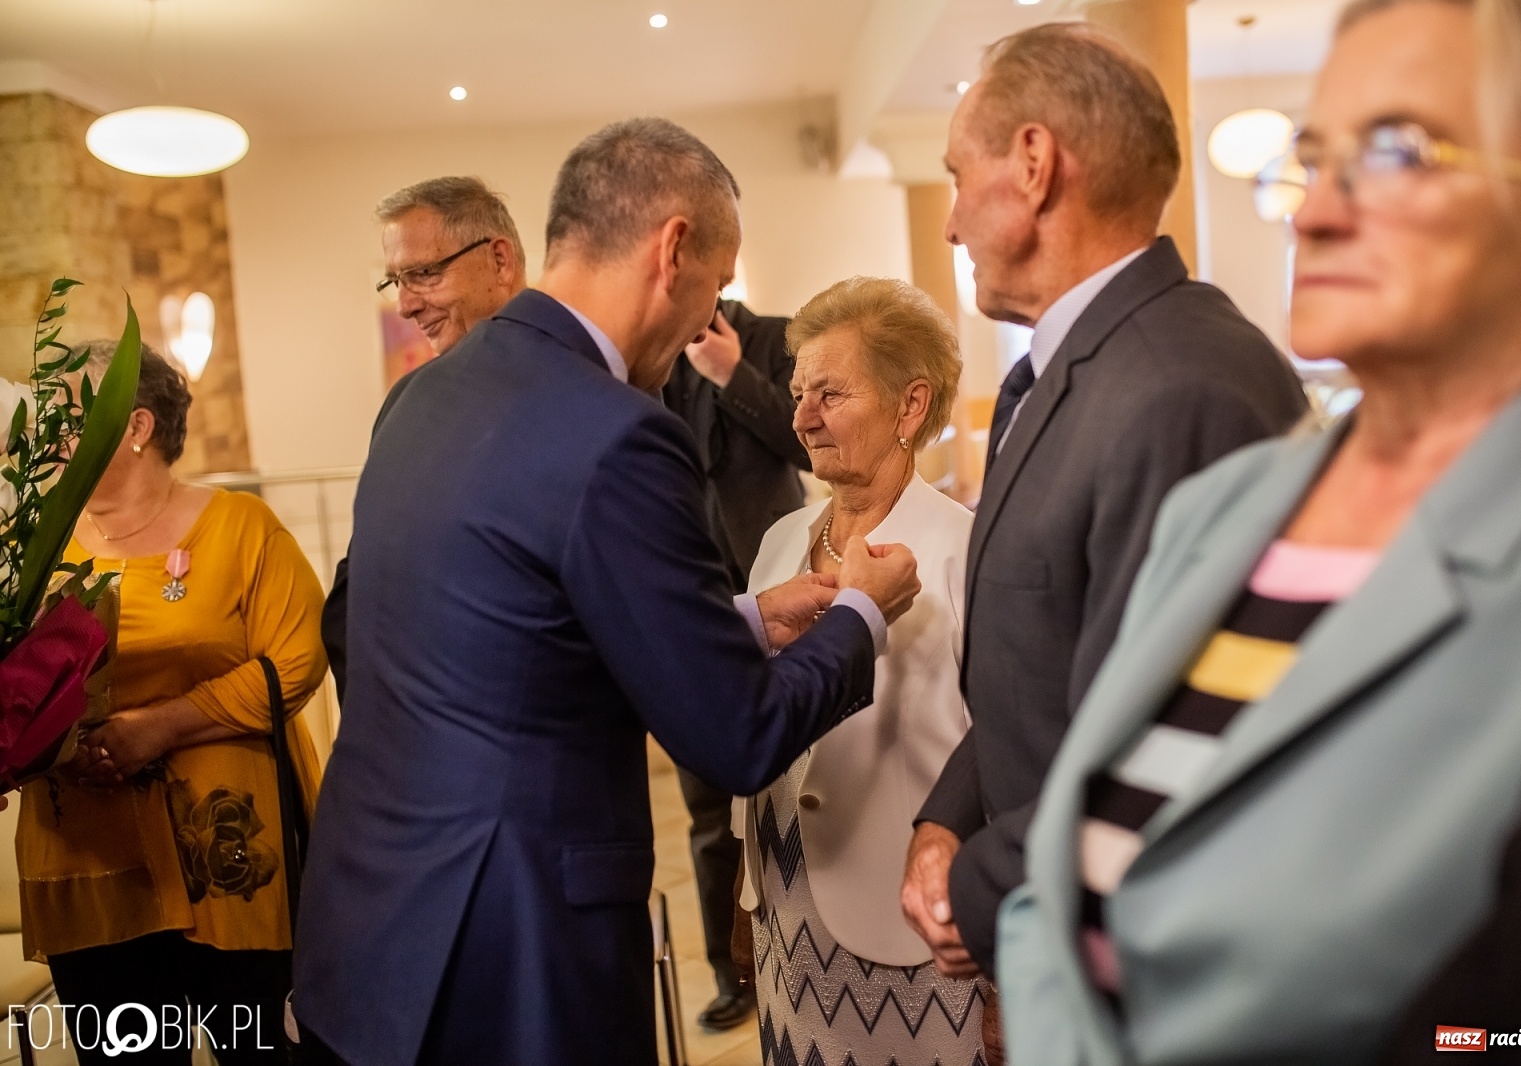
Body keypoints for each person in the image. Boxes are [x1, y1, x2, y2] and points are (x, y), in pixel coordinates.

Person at [997, 0, 1521, 1060]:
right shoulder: (1224, 509)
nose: (1313, 211)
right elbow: (1049, 890)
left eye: (1397, 149)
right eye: (1310, 157)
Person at [290, 118, 922, 1066]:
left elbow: (513, 629)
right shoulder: (619, 429)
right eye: (716, 283)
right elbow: (734, 737)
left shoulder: (419, 401)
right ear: (674, 250)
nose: (712, 308)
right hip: (513, 951)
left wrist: (745, 617)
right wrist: (862, 614)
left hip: (368, 928)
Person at [900, 18, 1308, 1002]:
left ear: (1034, 164)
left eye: (957, 175)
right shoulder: (1064, 369)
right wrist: (945, 814)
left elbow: (1172, 740)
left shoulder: (1182, 387)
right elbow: (1042, 658)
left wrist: (977, 887)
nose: (949, 222)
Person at [16, 342, 327, 1065]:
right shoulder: (32, 546)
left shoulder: (243, 529)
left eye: (70, 414)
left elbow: (298, 659)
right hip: (91, 864)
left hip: (230, 864)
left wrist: (160, 727)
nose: (49, 433)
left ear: (137, 427)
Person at [734, 277, 982, 1066]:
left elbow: (1005, 752)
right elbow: (753, 721)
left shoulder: (969, 549)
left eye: (829, 392)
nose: (801, 414)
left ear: (911, 407)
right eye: (798, 390)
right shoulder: (778, 542)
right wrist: (746, 894)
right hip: (785, 909)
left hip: (914, 931)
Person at [661, 299, 811, 1030]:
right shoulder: (642, 352)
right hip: (690, 604)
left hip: (777, 589)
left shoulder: (775, 339)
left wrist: (733, 374)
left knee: (793, 783)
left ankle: (802, 937)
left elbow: (807, 443)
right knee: (705, 807)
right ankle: (734, 971)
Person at [322, 176, 527, 701]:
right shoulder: (405, 400)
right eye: (396, 281)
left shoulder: (585, 394)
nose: (406, 306)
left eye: (423, 274)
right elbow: (361, 571)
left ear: (499, 261)